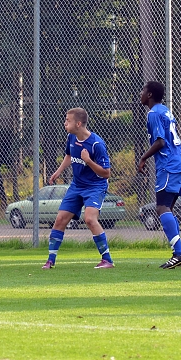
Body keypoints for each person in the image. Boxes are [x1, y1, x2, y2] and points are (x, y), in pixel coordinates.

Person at [42, 107, 114, 269]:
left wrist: (88, 161)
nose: (65, 123)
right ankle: (50, 260)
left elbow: (106, 173)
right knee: (60, 219)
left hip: (95, 186)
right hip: (77, 185)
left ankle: (107, 260)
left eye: (68, 120)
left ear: (79, 124)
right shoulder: (71, 138)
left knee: (89, 219)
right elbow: (69, 155)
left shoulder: (96, 144)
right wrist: (58, 172)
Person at [137, 81, 181, 269]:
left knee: (161, 208)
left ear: (150, 95)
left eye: (143, 90)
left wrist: (143, 158)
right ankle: (178, 253)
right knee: (167, 208)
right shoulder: (166, 111)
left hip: (168, 165)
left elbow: (160, 142)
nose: (140, 93)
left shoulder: (153, 114)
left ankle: (180, 252)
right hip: (179, 163)